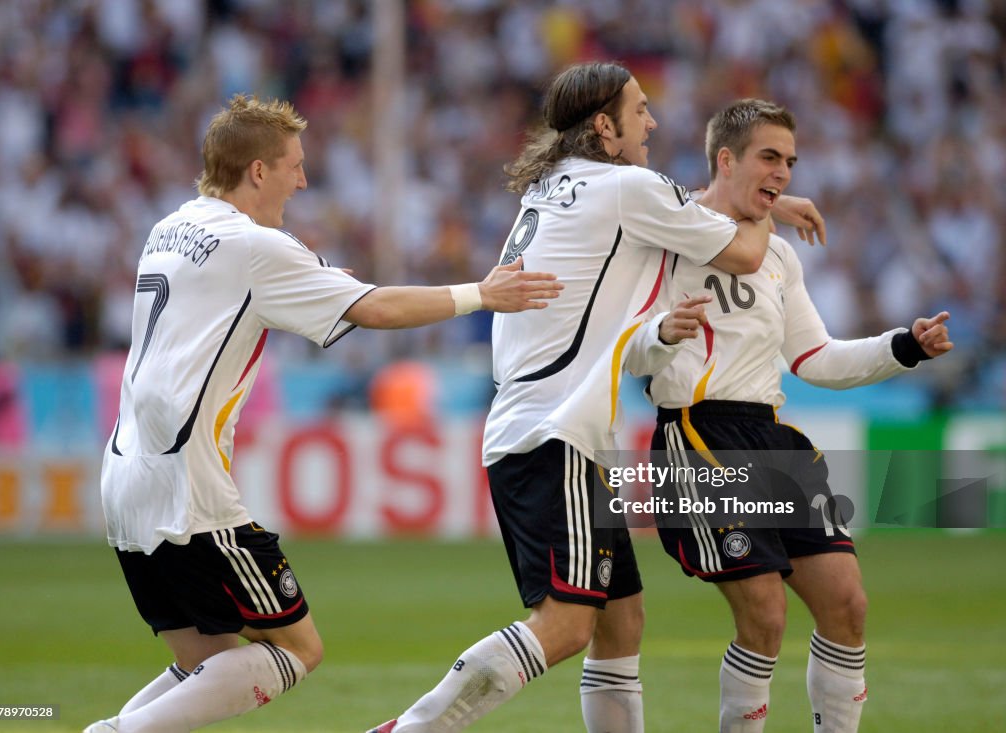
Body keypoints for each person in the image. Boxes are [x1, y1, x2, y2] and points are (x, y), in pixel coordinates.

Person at [83, 94, 564, 733]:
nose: (303, 179)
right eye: (294, 165)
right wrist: (482, 293)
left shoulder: (171, 226)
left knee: (209, 661)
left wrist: (318, 279)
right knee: (296, 649)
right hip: (188, 488)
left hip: (125, 476)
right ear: (258, 171)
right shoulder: (255, 246)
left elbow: (235, 296)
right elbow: (376, 309)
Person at [368, 62, 825, 733]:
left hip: (538, 425)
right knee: (566, 624)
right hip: (555, 431)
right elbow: (744, 254)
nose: (654, 122)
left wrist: (759, 199)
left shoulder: (553, 185)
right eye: (640, 110)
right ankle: (409, 729)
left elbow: (690, 208)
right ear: (604, 126)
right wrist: (764, 205)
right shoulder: (625, 187)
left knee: (621, 620)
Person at [624, 98, 953, 733]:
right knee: (765, 616)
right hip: (697, 435)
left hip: (772, 438)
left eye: (790, 162)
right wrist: (662, 337)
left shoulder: (778, 255)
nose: (782, 173)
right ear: (726, 159)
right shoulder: (668, 232)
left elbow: (817, 357)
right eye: (768, 157)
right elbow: (630, 343)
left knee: (848, 605)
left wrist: (903, 345)